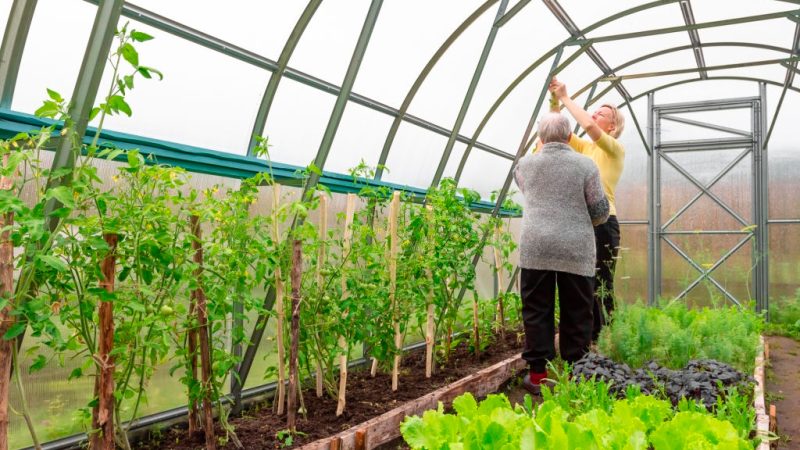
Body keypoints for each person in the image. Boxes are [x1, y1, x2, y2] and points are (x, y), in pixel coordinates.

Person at [514, 112, 609, 394]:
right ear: (570, 137)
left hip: (535, 248)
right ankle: (576, 374)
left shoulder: (524, 165)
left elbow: (527, 191)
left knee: (536, 310)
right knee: (577, 310)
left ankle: (538, 376)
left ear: (541, 139)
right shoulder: (586, 165)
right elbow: (601, 212)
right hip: (575, 247)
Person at [549, 77, 625, 342]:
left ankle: (609, 337)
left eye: (601, 113)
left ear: (612, 125)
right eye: (595, 111)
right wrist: (555, 101)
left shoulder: (614, 149)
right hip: (584, 222)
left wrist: (568, 97)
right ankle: (592, 337)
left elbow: (588, 125)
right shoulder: (585, 147)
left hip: (605, 223)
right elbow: (557, 131)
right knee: (584, 280)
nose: (594, 114)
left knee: (602, 281)